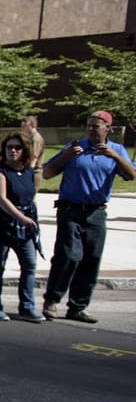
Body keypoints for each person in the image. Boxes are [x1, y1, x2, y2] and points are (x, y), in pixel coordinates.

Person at [40, 111, 136, 323]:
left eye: (96, 126)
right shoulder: (75, 148)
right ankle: (52, 301)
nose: (91, 129)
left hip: (96, 212)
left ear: (108, 128)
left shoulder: (116, 151)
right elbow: (47, 173)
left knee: (91, 260)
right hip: (70, 210)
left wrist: (116, 157)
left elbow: (131, 176)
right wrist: (65, 157)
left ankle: (78, 307)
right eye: (89, 126)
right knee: (69, 255)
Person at [0, 131, 44, 322]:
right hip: (3, 224)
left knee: (29, 265)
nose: (13, 151)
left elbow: (30, 196)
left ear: (24, 150)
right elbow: (1, 199)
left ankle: (27, 307)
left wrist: (29, 219)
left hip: (24, 227)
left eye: (17, 147)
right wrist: (21, 217)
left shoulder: (27, 171)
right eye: (9, 147)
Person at [21, 115, 45, 190]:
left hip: (33, 172)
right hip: (27, 170)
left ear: (32, 125)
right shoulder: (30, 137)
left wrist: (28, 173)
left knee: (30, 199)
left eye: (25, 124)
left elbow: (34, 158)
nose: (23, 126)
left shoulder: (36, 138)